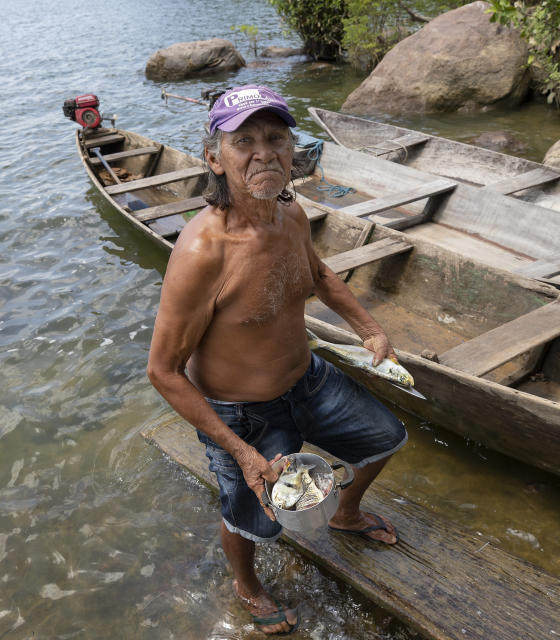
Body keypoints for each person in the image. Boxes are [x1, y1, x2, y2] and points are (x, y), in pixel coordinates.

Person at [146, 85, 407, 635]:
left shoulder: (291, 211)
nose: (263, 153)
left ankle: (345, 513)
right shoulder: (202, 252)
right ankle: (246, 584)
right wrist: (241, 453)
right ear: (215, 158)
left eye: (275, 138)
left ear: (293, 151)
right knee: (250, 521)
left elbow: (317, 276)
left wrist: (369, 328)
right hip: (243, 413)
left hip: (307, 379)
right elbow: (163, 371)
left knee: (386, 438)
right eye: (244, 141)